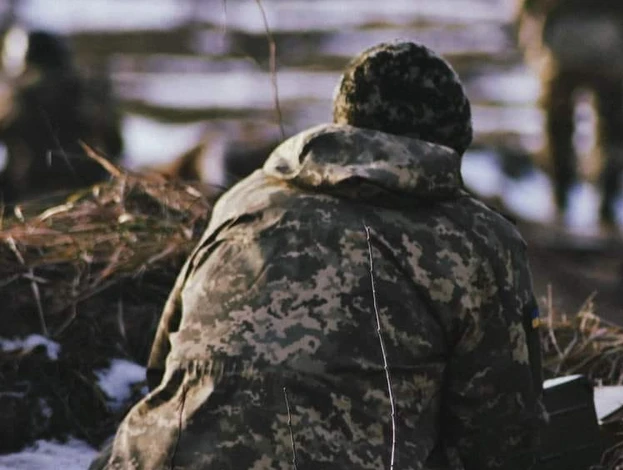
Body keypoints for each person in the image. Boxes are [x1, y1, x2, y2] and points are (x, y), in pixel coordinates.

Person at [92, 41, 543, 470]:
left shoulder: (246, 200)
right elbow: (500, 435)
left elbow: (161, 366)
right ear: (450, 141)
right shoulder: (477, 238)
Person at [515, 0, 623, 232]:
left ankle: (561, 200)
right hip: (607, 36)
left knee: (559, 125)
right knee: (611, 125)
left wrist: (527, 26)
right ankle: (606, 206)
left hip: (561, 39)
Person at [0, 28, 123, 203]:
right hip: (85, 194)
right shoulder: (88, 97)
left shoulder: (15, 101)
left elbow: (115, 146)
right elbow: (116, 147)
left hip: (30, 193)